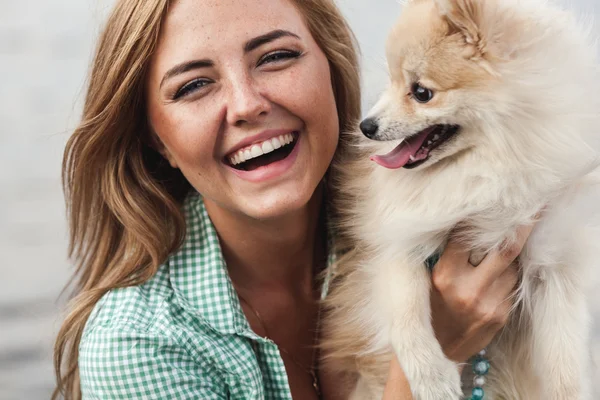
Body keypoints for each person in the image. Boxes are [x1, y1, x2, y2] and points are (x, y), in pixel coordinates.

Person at [53, 0, 533, 398]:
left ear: (331, 65)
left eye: (275, 57)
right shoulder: (139, 343)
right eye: (195, 85)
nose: (246, 104)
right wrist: (428, 354)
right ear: (158, 140)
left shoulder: (441, 215)